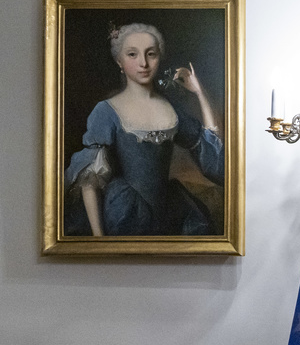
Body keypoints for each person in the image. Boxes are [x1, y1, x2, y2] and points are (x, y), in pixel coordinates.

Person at [65, 23, 223, 236]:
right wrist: (99, 239)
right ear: (119, 61)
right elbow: (90, 183)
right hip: (124, 212)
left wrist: (199, 92)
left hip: (168, 211)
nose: (143, 63)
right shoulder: (106, 111)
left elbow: (211, 153)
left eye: (151, 54)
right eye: (132, 54)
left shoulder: (171, 109)